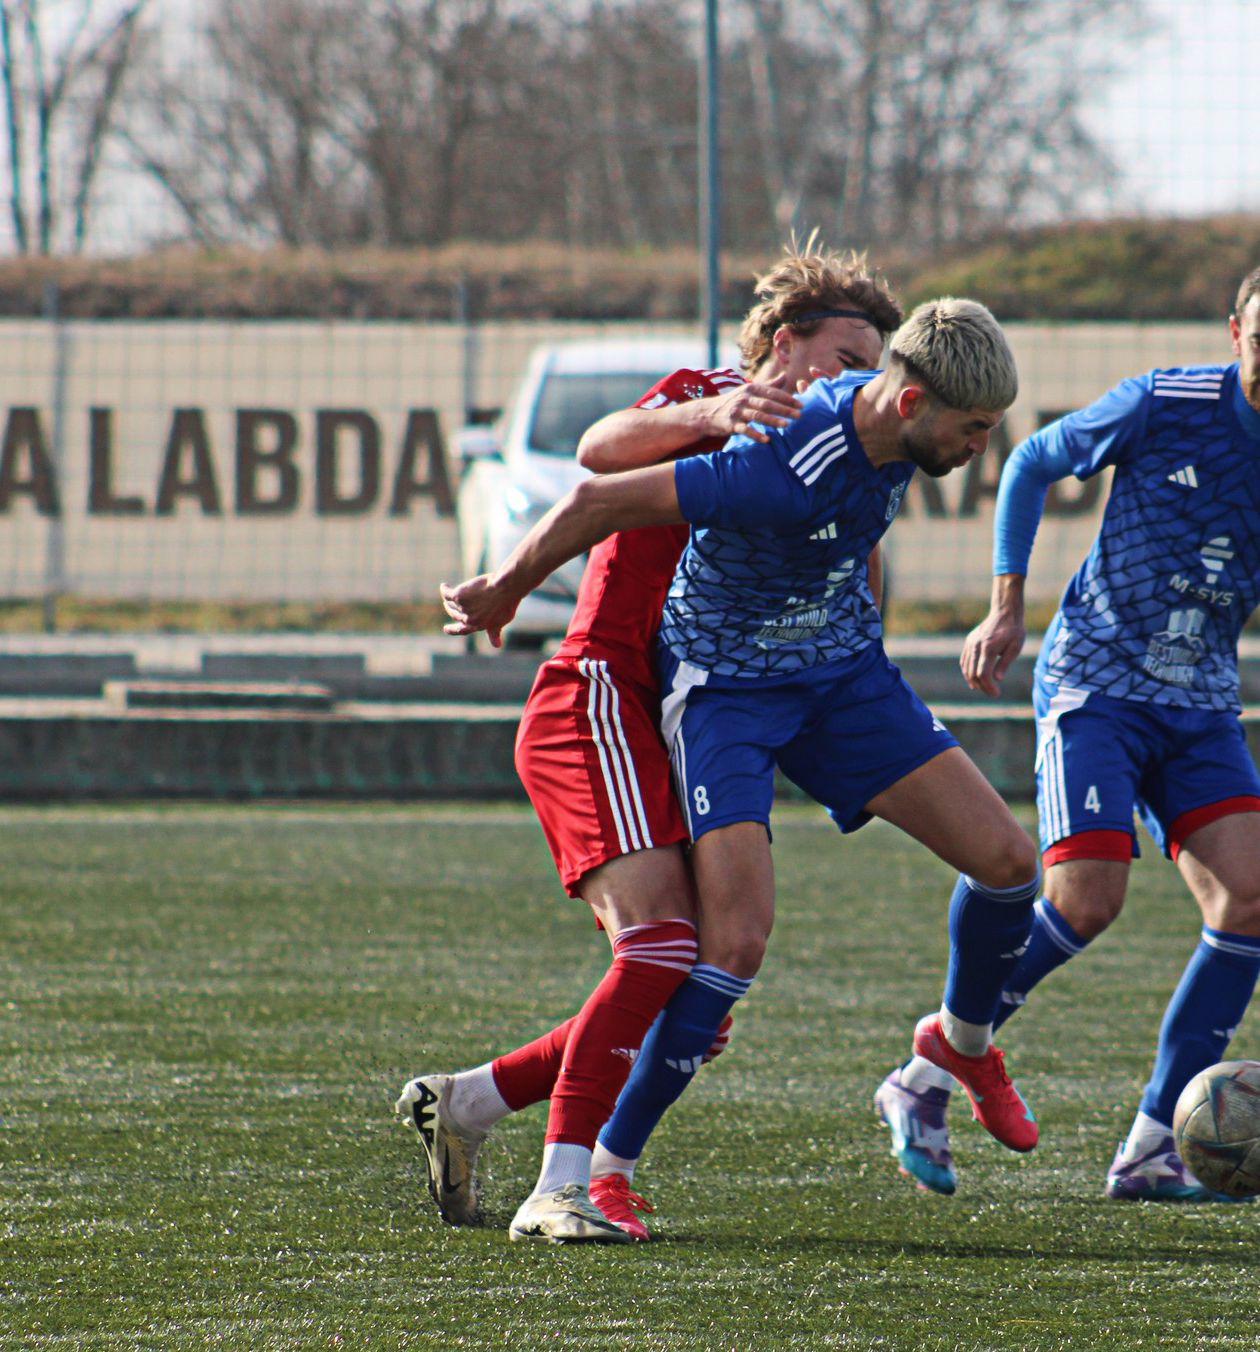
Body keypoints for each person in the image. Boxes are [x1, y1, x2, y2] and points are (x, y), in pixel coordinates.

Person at [438, 296, 1048, 1238]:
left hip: (843, 680)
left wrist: (864, 639)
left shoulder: (887, 420)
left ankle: (957, 1046)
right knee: (724, 948)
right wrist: (503, 589)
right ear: (912, 401)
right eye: (973, 430)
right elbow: (600, 483)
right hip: (728, 695)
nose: (982, 446)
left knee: (1012, 864)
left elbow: (860, 539)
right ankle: (602, 1170)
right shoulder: (775, 458)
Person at [872, 259, 1260, 1201]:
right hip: (1094, 677)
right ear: (1234, 333)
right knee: (1088, 900)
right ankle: (930, 1070)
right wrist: (1006, 607)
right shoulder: (1161, 403)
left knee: (1249, 904)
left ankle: (1149, 1145)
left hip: (1201, 699)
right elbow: (1030, 462)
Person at [397, 241, 902, 1244]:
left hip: (683, 717)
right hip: (595, 694)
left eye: (872, 365)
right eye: (844, 355)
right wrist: (711, 413)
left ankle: (469, 1103)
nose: (858, 382)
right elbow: (597, 447)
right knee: (662, 946)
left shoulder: (841, 454)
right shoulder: (717, 396)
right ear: (784, 344)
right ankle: (561, 1188)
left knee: (697, 996)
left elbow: (861, 568)